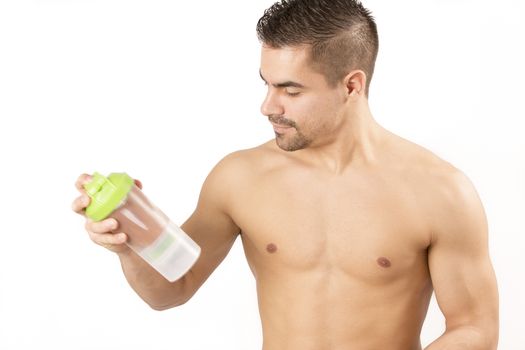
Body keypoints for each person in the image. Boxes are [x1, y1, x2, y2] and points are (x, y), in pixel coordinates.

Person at [71, 0, 499, 349]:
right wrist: (128, 242)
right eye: (267, 84)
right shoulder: (239, 178)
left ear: (352, 86)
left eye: (291, 90)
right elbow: (171, 290)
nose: (268, 106)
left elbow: (475, 328)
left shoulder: (439, 191)